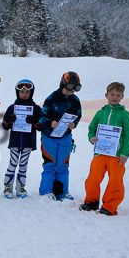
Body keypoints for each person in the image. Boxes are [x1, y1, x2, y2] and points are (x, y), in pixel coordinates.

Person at [80, 82, 129, 215]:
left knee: (115, 180)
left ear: (122, 96)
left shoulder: (125, 115)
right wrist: (92, 138)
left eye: (118, 95)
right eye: (112, 94)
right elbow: (92, 129)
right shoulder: (100, 113)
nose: (114, 97)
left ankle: (109, 206)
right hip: (100, 153)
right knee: (93, 178)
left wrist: (125, 153)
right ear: (106, 95)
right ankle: (91, 202)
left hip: (116, 156)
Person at [38, 71, 82, 200]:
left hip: (65, 137)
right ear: (62, 85)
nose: (71, 92)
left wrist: (74, 123)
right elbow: (41, 117)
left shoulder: (75, 100)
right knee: (50, 164)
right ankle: (46, 191)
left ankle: (62, 191)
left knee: (63, 165)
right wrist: (50, 122)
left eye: (75, 89)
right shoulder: (52, 98)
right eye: (68, 89)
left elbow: (78, 115)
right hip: (49, 137)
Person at [1, 79, 42, 198]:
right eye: (22, 92)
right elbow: (5, 125)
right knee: (13, 163)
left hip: (28, 142)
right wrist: (9, 121)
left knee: (23, 164)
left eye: (27, 92)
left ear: (31, 93)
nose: (24, 94)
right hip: (15, 141)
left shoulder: (36, 109)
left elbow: (40, 126)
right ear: (17, 92)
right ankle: (8, 186)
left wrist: (34, 122)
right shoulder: (12, 108)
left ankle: (20, 187)